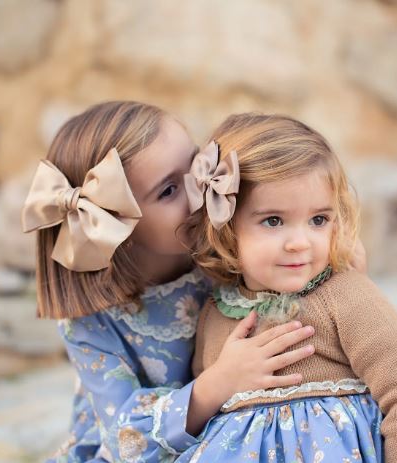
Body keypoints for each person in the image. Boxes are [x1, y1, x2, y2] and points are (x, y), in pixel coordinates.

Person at [21, 101, 320, 462]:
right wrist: (218, 384)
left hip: (236, 430)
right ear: (113, 228)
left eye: (195, 166)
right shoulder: (91, 322)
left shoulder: (224, 244)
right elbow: (125, 438)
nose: (198, 192)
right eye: (168, 191)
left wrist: (332, 269)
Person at [177, 113, 397, 463]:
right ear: (226, 228)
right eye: (273, 221)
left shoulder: (346, 296)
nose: (299, 242)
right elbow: (205, 420)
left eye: (318, 220)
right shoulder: (215, 313)